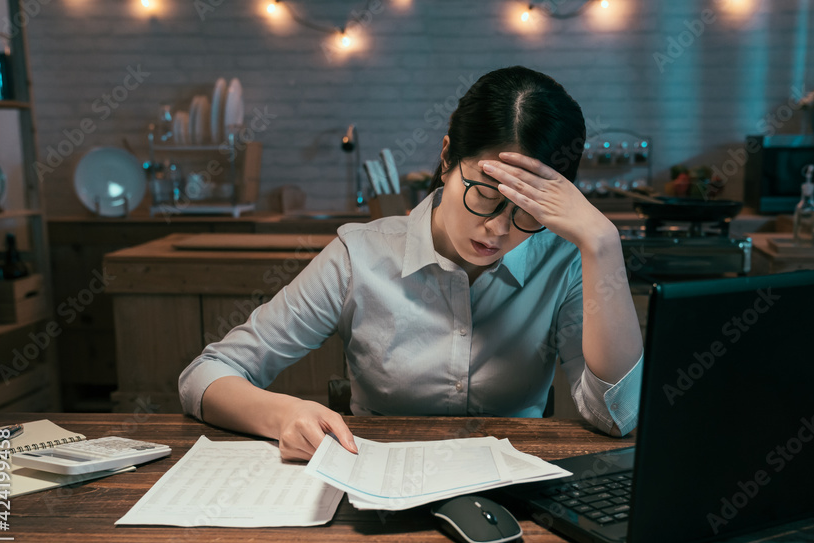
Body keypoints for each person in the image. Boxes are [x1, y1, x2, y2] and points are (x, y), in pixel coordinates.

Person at [179, 66, 644, 461]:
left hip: (510, 498)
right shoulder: (360, 255)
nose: (497, 230)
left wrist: (603, 243)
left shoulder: (562, 263)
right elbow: (205, 375)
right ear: (446, 160)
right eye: (484, 195)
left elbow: (616, 417)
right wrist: (283, 414)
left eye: (528, 213)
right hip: (374, 487)